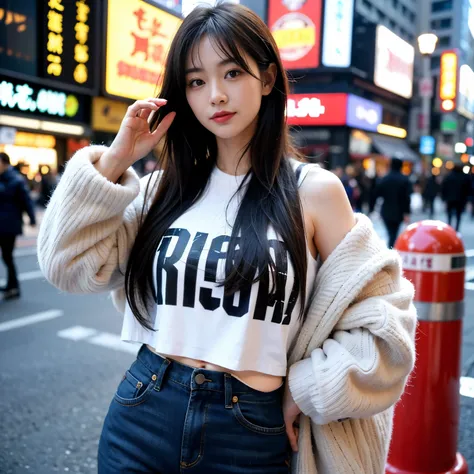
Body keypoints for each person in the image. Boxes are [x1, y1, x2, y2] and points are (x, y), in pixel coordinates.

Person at [37, 4, 416, 474]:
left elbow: (385, 325)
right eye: (196, 81)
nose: (215, 95)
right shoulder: (161, 191)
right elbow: (65, 265)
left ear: (268, 78)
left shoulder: (313, 193)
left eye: (233, 72)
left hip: (251, 428)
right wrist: (116, 160)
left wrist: (307, 387)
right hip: (143, 409)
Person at [0, 152, 36, 300]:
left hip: (10, 226)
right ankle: (11, 285)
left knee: (7, 256)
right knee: (6, 257)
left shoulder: (16, 180)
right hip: (2, 225)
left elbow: (26, 201)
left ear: (4, 163)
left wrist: (32, 218)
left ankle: (14, 287)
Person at [373, 157, 412, 248]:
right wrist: (407, 213)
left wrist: (373, 208)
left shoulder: (385, 179)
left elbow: (376, 193)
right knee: (394, 233)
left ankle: (390, 248)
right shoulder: (405, 180)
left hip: (386, 210)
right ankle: (391, 248)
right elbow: (406, 198)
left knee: (391, 233)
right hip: (399, 211)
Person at [441, 164, 471, 231]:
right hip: (460, 199)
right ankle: (457, 229)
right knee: (458, 215)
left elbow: (444, 188)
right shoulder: (465, 177)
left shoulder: (448, 176)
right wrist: (468, 199)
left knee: (449, 214)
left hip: (450, 199)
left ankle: (449, 227)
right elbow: (468, 189)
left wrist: (444, 198)